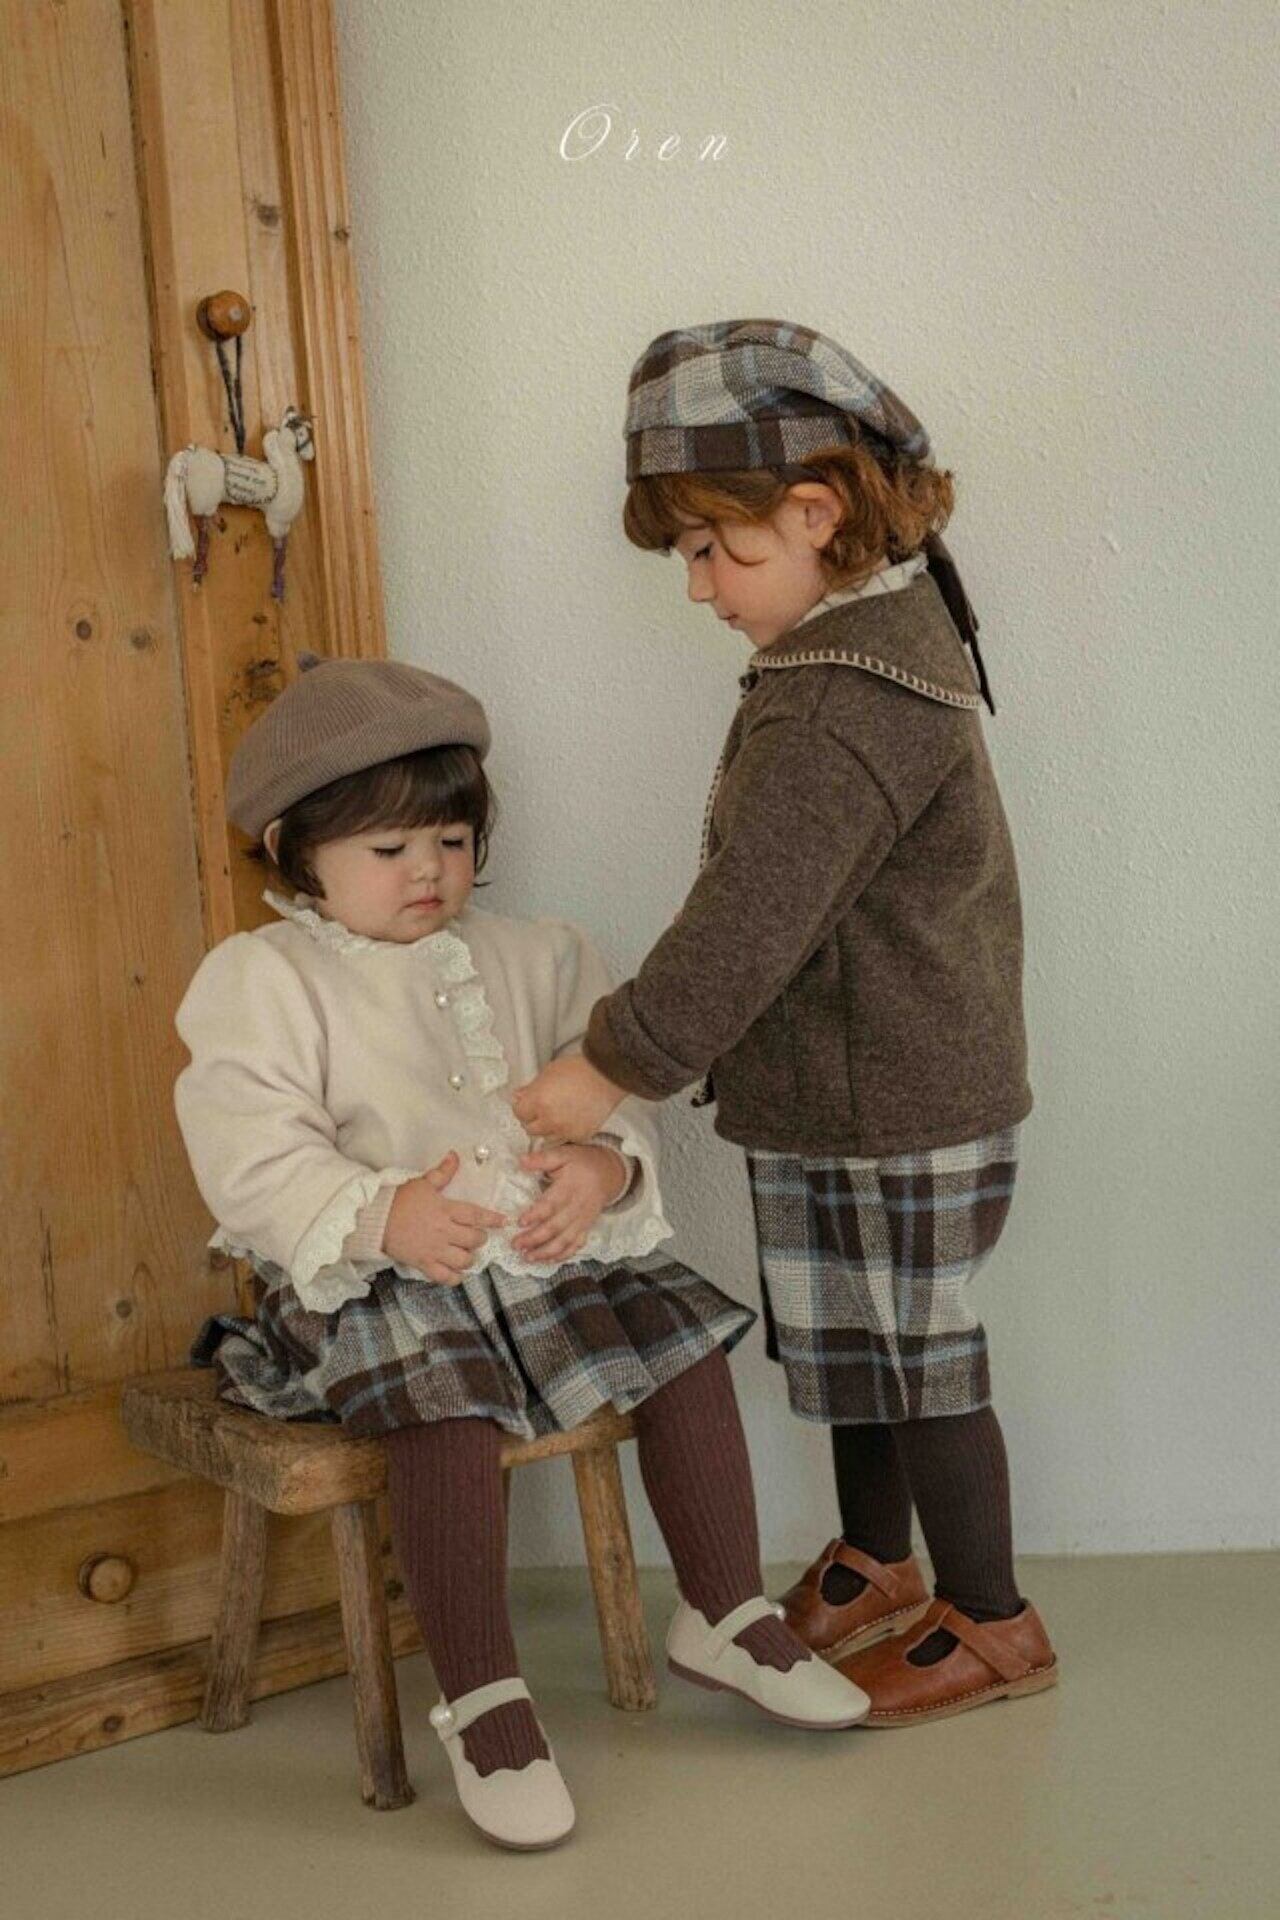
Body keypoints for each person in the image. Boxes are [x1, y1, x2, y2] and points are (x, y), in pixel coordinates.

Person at [173, 652, 870, 1853]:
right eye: (388, 849)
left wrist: (603, 1168)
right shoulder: (263, 981)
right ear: (295, 851)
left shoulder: (539, 953)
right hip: (380, 1286)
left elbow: (615, 1092)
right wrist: (381, 1214)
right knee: (441, 1407)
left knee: (680, 1340)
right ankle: (485, 1696)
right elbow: (246, 1149)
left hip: (544, 1265)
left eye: (449, 841)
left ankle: (721, 1608)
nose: (427, 871)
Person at [512, 318, 1058, 1727]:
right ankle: (880, 1560)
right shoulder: (853, 654)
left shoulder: (844, 699)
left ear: (816, 513)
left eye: (715, 549)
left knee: (916, 1355)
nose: (699, 587)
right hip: (845, 1080)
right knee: (855, 1348)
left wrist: (608, 1065)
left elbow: (749, 917)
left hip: (900, 1091)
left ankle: (993, 1616)